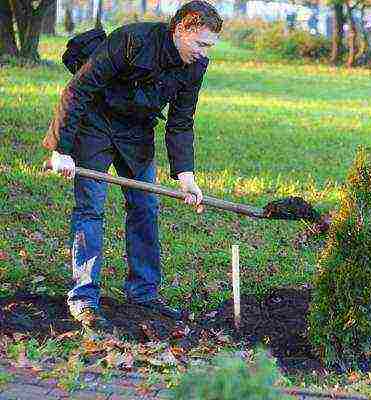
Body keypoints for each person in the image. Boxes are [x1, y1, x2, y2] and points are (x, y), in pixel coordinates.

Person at [42, 0, 222, 331]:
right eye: (200, 44)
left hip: (136, 132)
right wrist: (60, 150)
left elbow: (181, 122)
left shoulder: (195, 66)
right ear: (180, 29)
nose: (204, 53)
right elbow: (77, 90)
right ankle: (83, 297)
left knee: (144, 207)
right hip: (95, 125)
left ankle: (144, 293)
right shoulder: (131, 41)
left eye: (210, 47)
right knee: (91, 208)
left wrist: (186, 177)